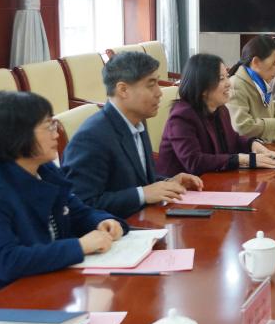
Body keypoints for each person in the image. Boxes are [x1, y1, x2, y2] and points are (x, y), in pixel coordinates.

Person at [0, 92, 126, 305]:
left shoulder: (45, 170)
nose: (56, 134)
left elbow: (77, 211)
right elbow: (6, 261)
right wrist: (79, 246)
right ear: (18, 135)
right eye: (48, 126)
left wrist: (102, 221)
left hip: (44, 282)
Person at [62, 52, 203, 219]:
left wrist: (169, 182)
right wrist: (142, 194)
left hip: (144, 221)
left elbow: (137, 180)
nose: (159, 93)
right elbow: (81, 204)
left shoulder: (137, 122)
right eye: (151, 85)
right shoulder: (91, 137)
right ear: (123, 90)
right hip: (114, 229)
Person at [157, 54, 275, 176]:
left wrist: (252, 144)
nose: (228, 83)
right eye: (221, 78)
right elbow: (194, 162)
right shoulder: (182, 116)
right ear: (202, 87)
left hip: (213, 181)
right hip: (181, 187)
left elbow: (233, 139)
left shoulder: (221, 109)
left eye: (227, 76)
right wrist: (244, 159)